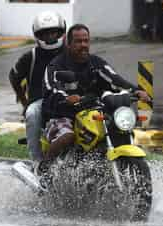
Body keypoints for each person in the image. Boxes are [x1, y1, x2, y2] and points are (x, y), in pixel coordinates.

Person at [40, 23, 150, 171]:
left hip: (91, 112)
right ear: (69, 43)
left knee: (116, 129)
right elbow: (50, 87)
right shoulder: (56, 65)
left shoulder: (96, 63)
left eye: (86, 41)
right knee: (67, 136)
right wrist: (65, 98)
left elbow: (115, 79)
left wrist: (136, 91)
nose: (83, 45)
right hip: (62, 114)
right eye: (78, 41)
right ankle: (44, 170)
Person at [9, 11, 66, 174]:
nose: (50, 36)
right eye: (46, 33)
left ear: (61, 31)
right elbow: (13, 76)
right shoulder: (31, 56)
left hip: (68, 99)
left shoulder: (70, 52)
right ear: (38, 35)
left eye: (54, 32)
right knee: (32, 114)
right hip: (41, 101)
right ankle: (37, 162)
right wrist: (24, 102)